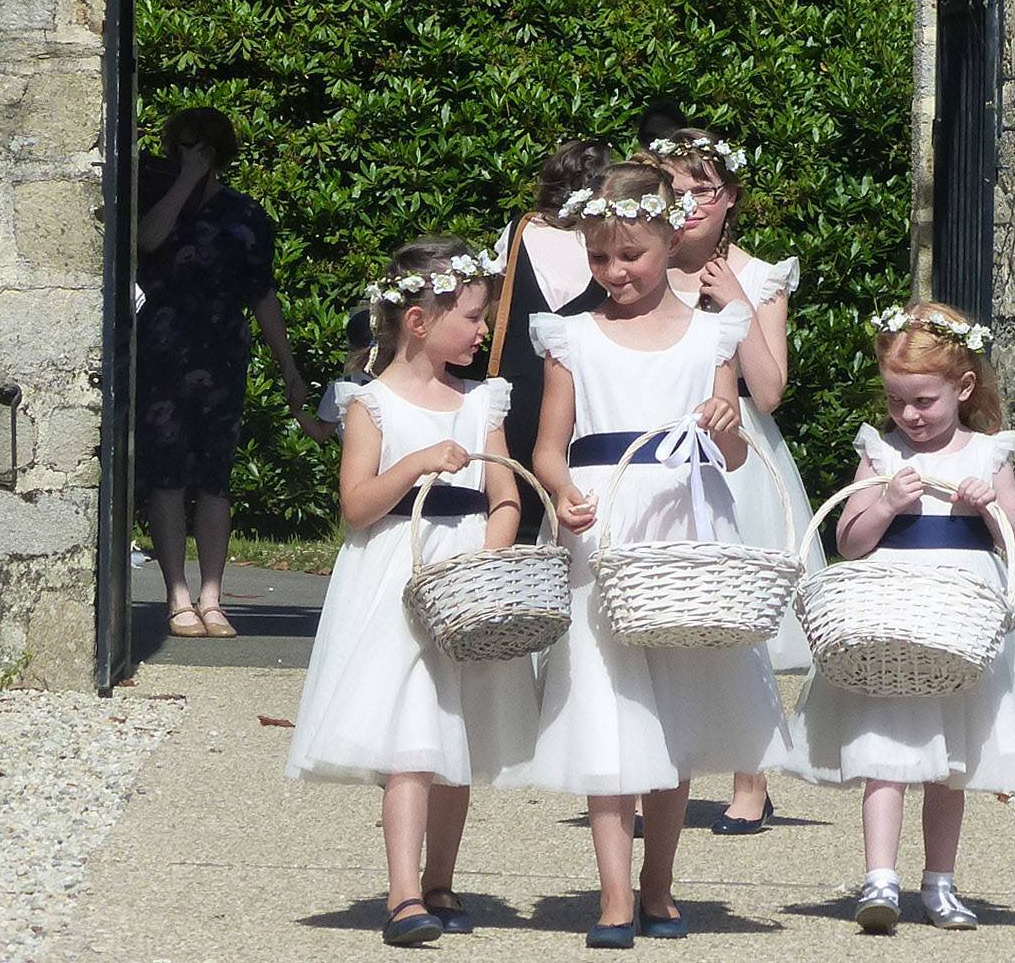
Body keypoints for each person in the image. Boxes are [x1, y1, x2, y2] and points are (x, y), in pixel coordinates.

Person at [508, 161, 786, 946]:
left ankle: (659, 881)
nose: (614, 271)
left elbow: (729, 452)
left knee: (677, 703)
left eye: (629, 255)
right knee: (606, 699)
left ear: (668, 240)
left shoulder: (711, 333)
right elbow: (549, 445)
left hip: (684, 521)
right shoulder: (572, 337)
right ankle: (613, 895)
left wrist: (726, 430)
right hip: (605, 524)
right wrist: (560, 490)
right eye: (599, 257)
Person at [283, 238, 535, 947]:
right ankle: (402, 891)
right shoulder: (372, 403)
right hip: (400, 569)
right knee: (413, 739)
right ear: (421, 321)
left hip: (465, 578)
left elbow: (507, 495)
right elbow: (357, 505)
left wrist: (489, 559)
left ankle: (442, 877)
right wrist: (418, 463)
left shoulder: (482, 399)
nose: (485, 331)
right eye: (475, 317)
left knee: (458, 731)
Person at [783, 303, 1015, 933]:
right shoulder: (880, 451)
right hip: (891, 618)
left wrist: (989, 508)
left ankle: (940, 880)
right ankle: (879, 877)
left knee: (951, 757)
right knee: (884, 746)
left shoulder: (988, 453)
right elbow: (848, 540)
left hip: (963, 617)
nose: (909, 415)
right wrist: (882, 502)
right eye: (897, 400)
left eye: (924, 401)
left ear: (963, 389)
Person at [646, 128, 826, 835]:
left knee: (742, 618)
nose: (689, 203)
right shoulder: (644, 269)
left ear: (731, 199)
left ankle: (751, 776)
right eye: (677, 188)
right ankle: (662, 767)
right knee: (664, 612)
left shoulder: (756, 275)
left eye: (704, 189)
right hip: (663, 450)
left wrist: (737, 305)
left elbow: (771, 387)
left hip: (736, 449)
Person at [135, 106, 328, 640]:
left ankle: (212, 597)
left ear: (217, 152)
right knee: (167, 473)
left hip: (221, 352)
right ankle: (176, 595)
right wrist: (184, 184)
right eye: (179, 147)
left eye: (196, 148)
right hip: (160, 350)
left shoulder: (246, 216)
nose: (183, 156)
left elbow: (262, 293)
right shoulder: (154, 198)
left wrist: (288, 366)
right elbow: (145, 242)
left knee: (215, 477)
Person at [482, 140, 612, 537]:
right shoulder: (608, 242)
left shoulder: (518, 231)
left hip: (518, 379)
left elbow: (492, 304)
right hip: (585, 386)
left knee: (514, 497)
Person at [317, 307, 374, 439]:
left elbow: (320, 433)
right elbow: (321, 433)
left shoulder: (342, 387)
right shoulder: (341, 388)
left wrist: (297, 411)